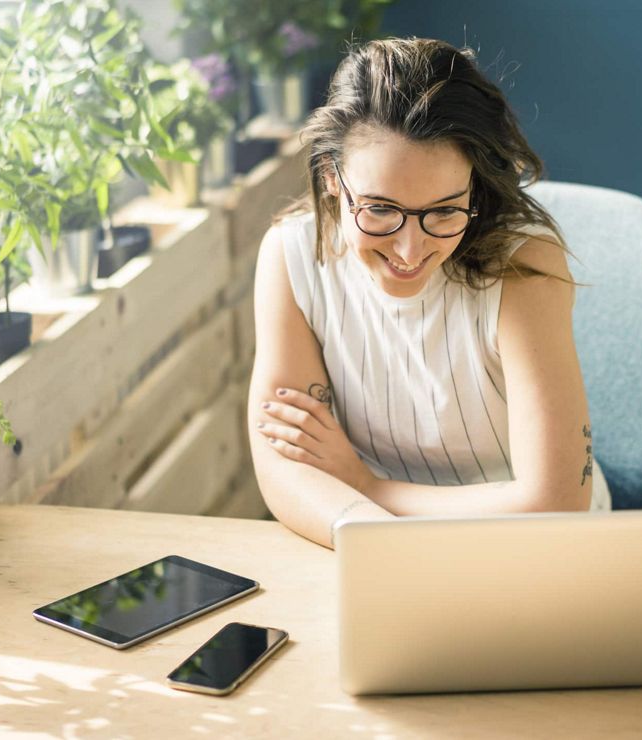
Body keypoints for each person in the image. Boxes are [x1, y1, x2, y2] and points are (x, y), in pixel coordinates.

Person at [249, 37, 609, 549]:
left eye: (444, 210)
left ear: (473, 188)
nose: (409, 248)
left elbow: (554, 505)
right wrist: (381, 538)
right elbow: (285, 462)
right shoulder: (291, 255)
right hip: (364, 532)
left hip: (527, 548)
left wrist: (366, 487)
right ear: (333, 177)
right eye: (378, 208)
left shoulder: (524, 267)